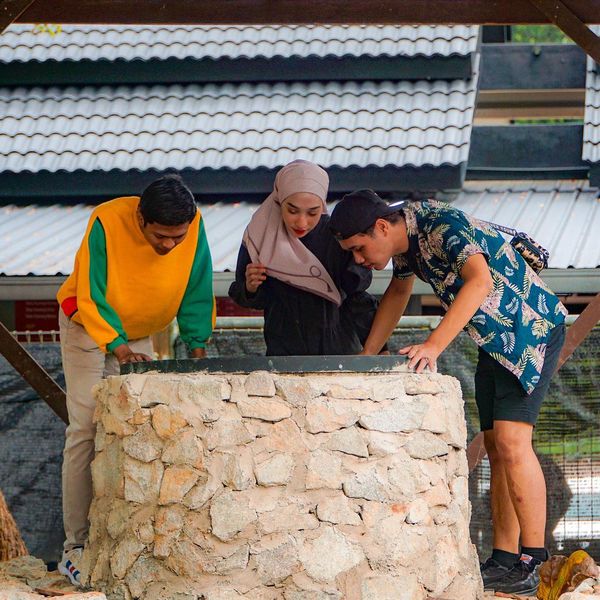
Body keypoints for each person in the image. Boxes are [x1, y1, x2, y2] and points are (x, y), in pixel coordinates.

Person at [329, 189, 567, 596]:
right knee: (495, 444)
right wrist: (366, 357)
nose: (358, 259)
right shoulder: (407, 242)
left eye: (359, 248)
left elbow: (481, 281)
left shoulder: (441, 226)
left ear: (382, 227)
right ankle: (505, 558)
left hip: (531, 332)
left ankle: (535, 559)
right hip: (496, 341)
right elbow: (399, 293)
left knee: (513, 441)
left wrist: (433, 345)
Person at [56, 174, 215, 585]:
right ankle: (74, 547)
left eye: (176, 238)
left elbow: (198, 288)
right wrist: (121, 351)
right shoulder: (106, 221)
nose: (169, 246)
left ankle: (123, 533)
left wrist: (198, 351)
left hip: (139, 330)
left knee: (132, 429)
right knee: (86, 426)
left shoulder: (191, 226)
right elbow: (91, 294)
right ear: (141, 218)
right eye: (161, 236)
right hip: (90, 325)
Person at [229, 160, 382, 355]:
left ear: (323, 205)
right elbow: (250, 298)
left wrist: (377, 348)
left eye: (313, 212)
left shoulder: (337, 236)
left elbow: (358, 298)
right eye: (292, 210)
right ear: (278, 200)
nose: (302, 222)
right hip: (284, 355)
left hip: (340, 354)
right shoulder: (261, 237)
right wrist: (250, 288)